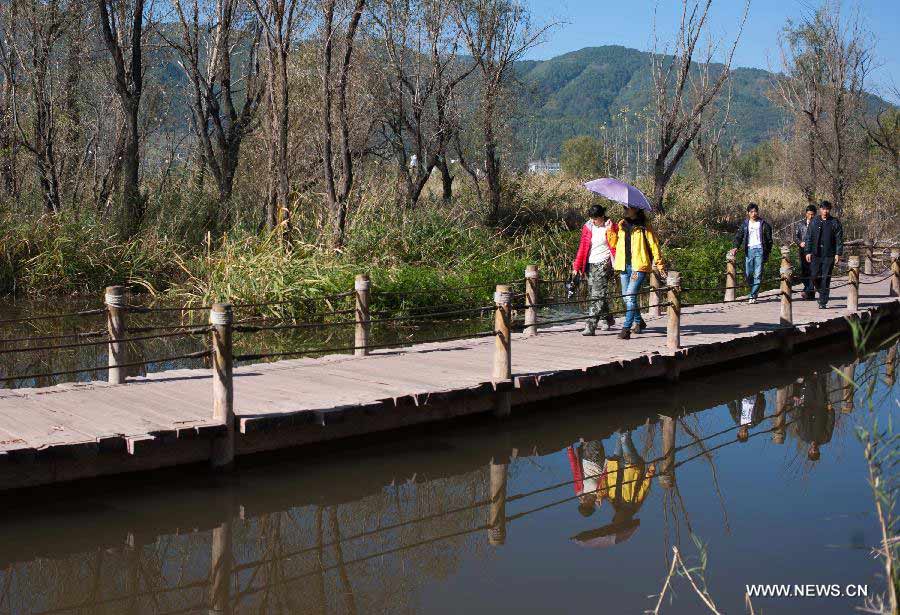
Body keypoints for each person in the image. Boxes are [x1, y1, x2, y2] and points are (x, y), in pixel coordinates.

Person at [607, 207, 664, 340]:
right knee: (626, 298)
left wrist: (660, 264)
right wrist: (610, 231)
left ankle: (626, 329)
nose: (625, 209)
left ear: (636, 209)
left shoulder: (645, 226)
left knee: (630, 297)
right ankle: (639, 321)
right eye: (624, 207)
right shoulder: (622, 224)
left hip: (638, 266)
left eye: (628, 208)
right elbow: (614, 244)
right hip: (623, 266)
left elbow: (654, 245)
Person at [572, 204, 618, 335]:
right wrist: (577, 266)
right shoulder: (588, 227)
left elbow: (616, 244)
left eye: (595, 218)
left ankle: (590, 325)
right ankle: (607, 318)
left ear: (602, 216)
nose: (593, 221)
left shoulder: (611, 226)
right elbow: (583, 246)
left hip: (604, 264)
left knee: (597, 295)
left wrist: (610, 230)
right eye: (591, 218)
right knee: (595, 292)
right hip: (590, 264)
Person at [803, 200, 844, 309]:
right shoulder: (814, 221)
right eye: (823, 209)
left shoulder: (835, 222)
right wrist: (807, 251)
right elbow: (809, 237)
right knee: (814, 276)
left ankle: (823, 301)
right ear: (820, 209)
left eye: (827, 209)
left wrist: (838, 253)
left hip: (829, 255)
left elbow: (839, 239)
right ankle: (822, 292)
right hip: (815, 254)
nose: (825, 211)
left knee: (826, 278)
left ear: (829, 210)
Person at [730, 203, 773, 304]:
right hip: (749, 250)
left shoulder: (764, 224)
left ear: (758, 212)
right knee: (748, 273)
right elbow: (739, 236)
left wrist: (768, 252)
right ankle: (753, 292)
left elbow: (769, 240)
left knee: (758, 274)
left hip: (760, 250)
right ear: (748, 213)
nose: (754, 214)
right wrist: (735, 247)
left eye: (755, 211)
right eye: (751, 212)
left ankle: (753, 295)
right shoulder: (745, 224)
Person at [792, 371, 835, 461]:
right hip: (821, 407)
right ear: (819, 451)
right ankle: (821, 366)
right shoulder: (825, 438)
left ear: (809, 450)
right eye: (816, 452)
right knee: (821, 385)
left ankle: (809, 366)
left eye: (812, 452)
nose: (814, 450)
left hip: (807, 406)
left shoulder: (803, 436)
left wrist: (798, 407)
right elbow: (830, 424)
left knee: (808, 384)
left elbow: (799, 420)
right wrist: (830, 411)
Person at [566, 439, 607, 516]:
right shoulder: (600, 494)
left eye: (582, 504)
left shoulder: (579, 491)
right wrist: (600, 497)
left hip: (583, 456)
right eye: (587, 505)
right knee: (595, 435)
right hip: (596, 459)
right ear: (592, 506)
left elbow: (574, 470)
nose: (584, 501)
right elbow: (607, 477)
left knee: (585, 433)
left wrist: (570, 450)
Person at [795, 204, 817, 300]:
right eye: (809, 214)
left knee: (813, 271)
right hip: (803, 251)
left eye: (812, 214)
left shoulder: (817, 224)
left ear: (815, 214)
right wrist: (800, 243)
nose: (810, 216)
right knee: (804, 271)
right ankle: (808, 290)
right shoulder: (800, 224)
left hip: (814, 251)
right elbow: (795, 237)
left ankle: (808, 291)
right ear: (806, 214)